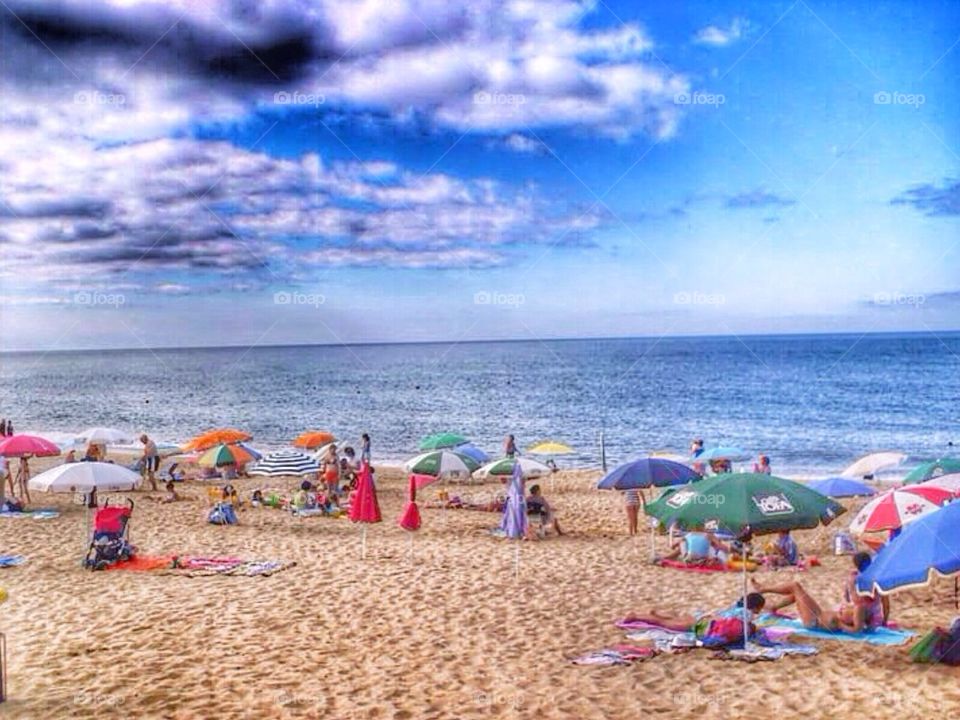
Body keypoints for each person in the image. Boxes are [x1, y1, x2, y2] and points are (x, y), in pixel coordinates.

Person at [752, 552, 887, 632]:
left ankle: (763, 589)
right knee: (796, 595)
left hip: (814, 621)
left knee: (795, 586)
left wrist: (841, 624)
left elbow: (857, 630)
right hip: (818, 614)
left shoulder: (859, 607)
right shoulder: (863, 602)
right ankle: (773, 607)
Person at [629, 592, 766, 636]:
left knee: (675, 619)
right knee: (666, 624)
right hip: (707, 625)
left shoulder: (737, 607)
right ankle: (636, 617)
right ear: (756, 607)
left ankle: (656, 614)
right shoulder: (748, 614)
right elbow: (746, 628)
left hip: (705, 616)